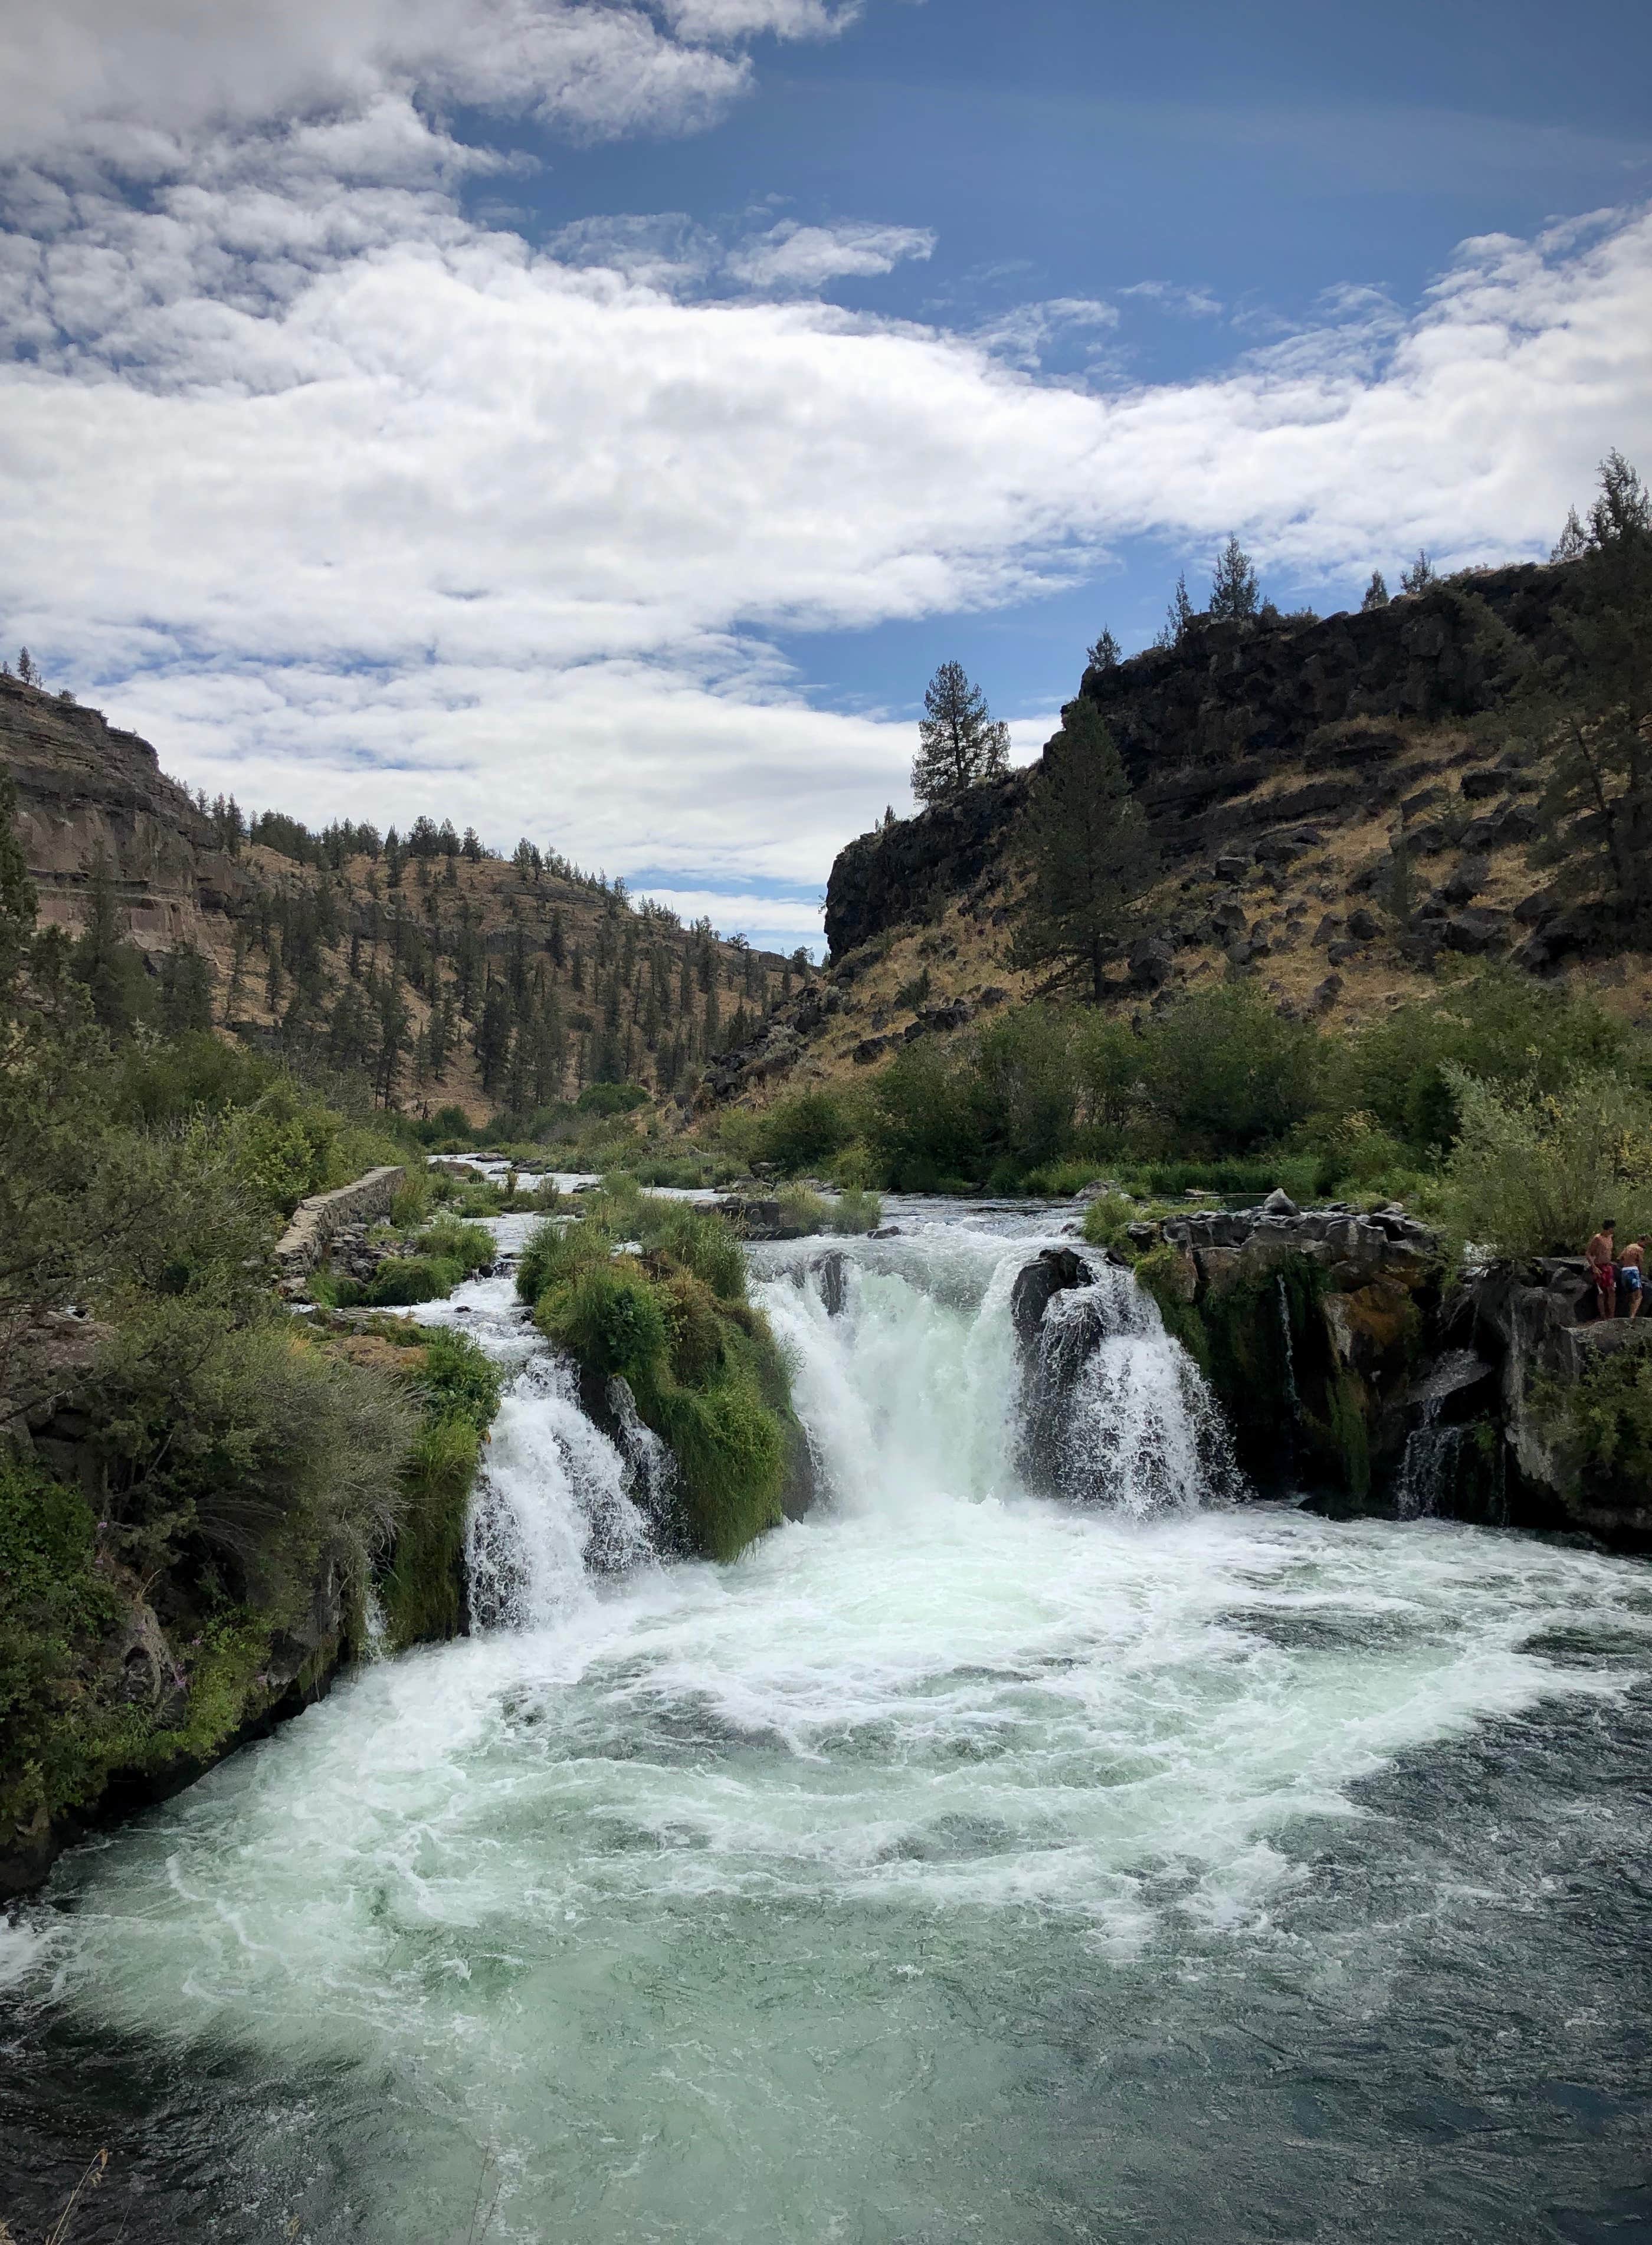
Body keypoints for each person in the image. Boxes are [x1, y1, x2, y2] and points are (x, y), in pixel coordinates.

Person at [1586, 1218, 1618, 1318]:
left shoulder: (1610, 1237)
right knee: (1601, 1292)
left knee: (1612, 1290)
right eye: (1613, 1228)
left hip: (1608, 1266)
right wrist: (1594, 1267)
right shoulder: (1598, 1238)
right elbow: (1588, 1253)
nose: (1614, 1230)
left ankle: (1612, 1315)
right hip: (1599, 1266)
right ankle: (1603, 1316)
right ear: (1609, 1228)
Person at [1620, 1235, 1646, 1320]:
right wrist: (1641, 1273)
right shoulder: (1640, 1249)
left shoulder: (1629, 1247)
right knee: (1639, 1296)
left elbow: (1620, 1258)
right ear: (1642, 1241)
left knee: (1631, 1295)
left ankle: (1630, 1315)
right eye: (1646, 1243)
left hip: (1624, 1271)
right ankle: (1632, 1316)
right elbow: (1641, 1263)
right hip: (1633, 1271)